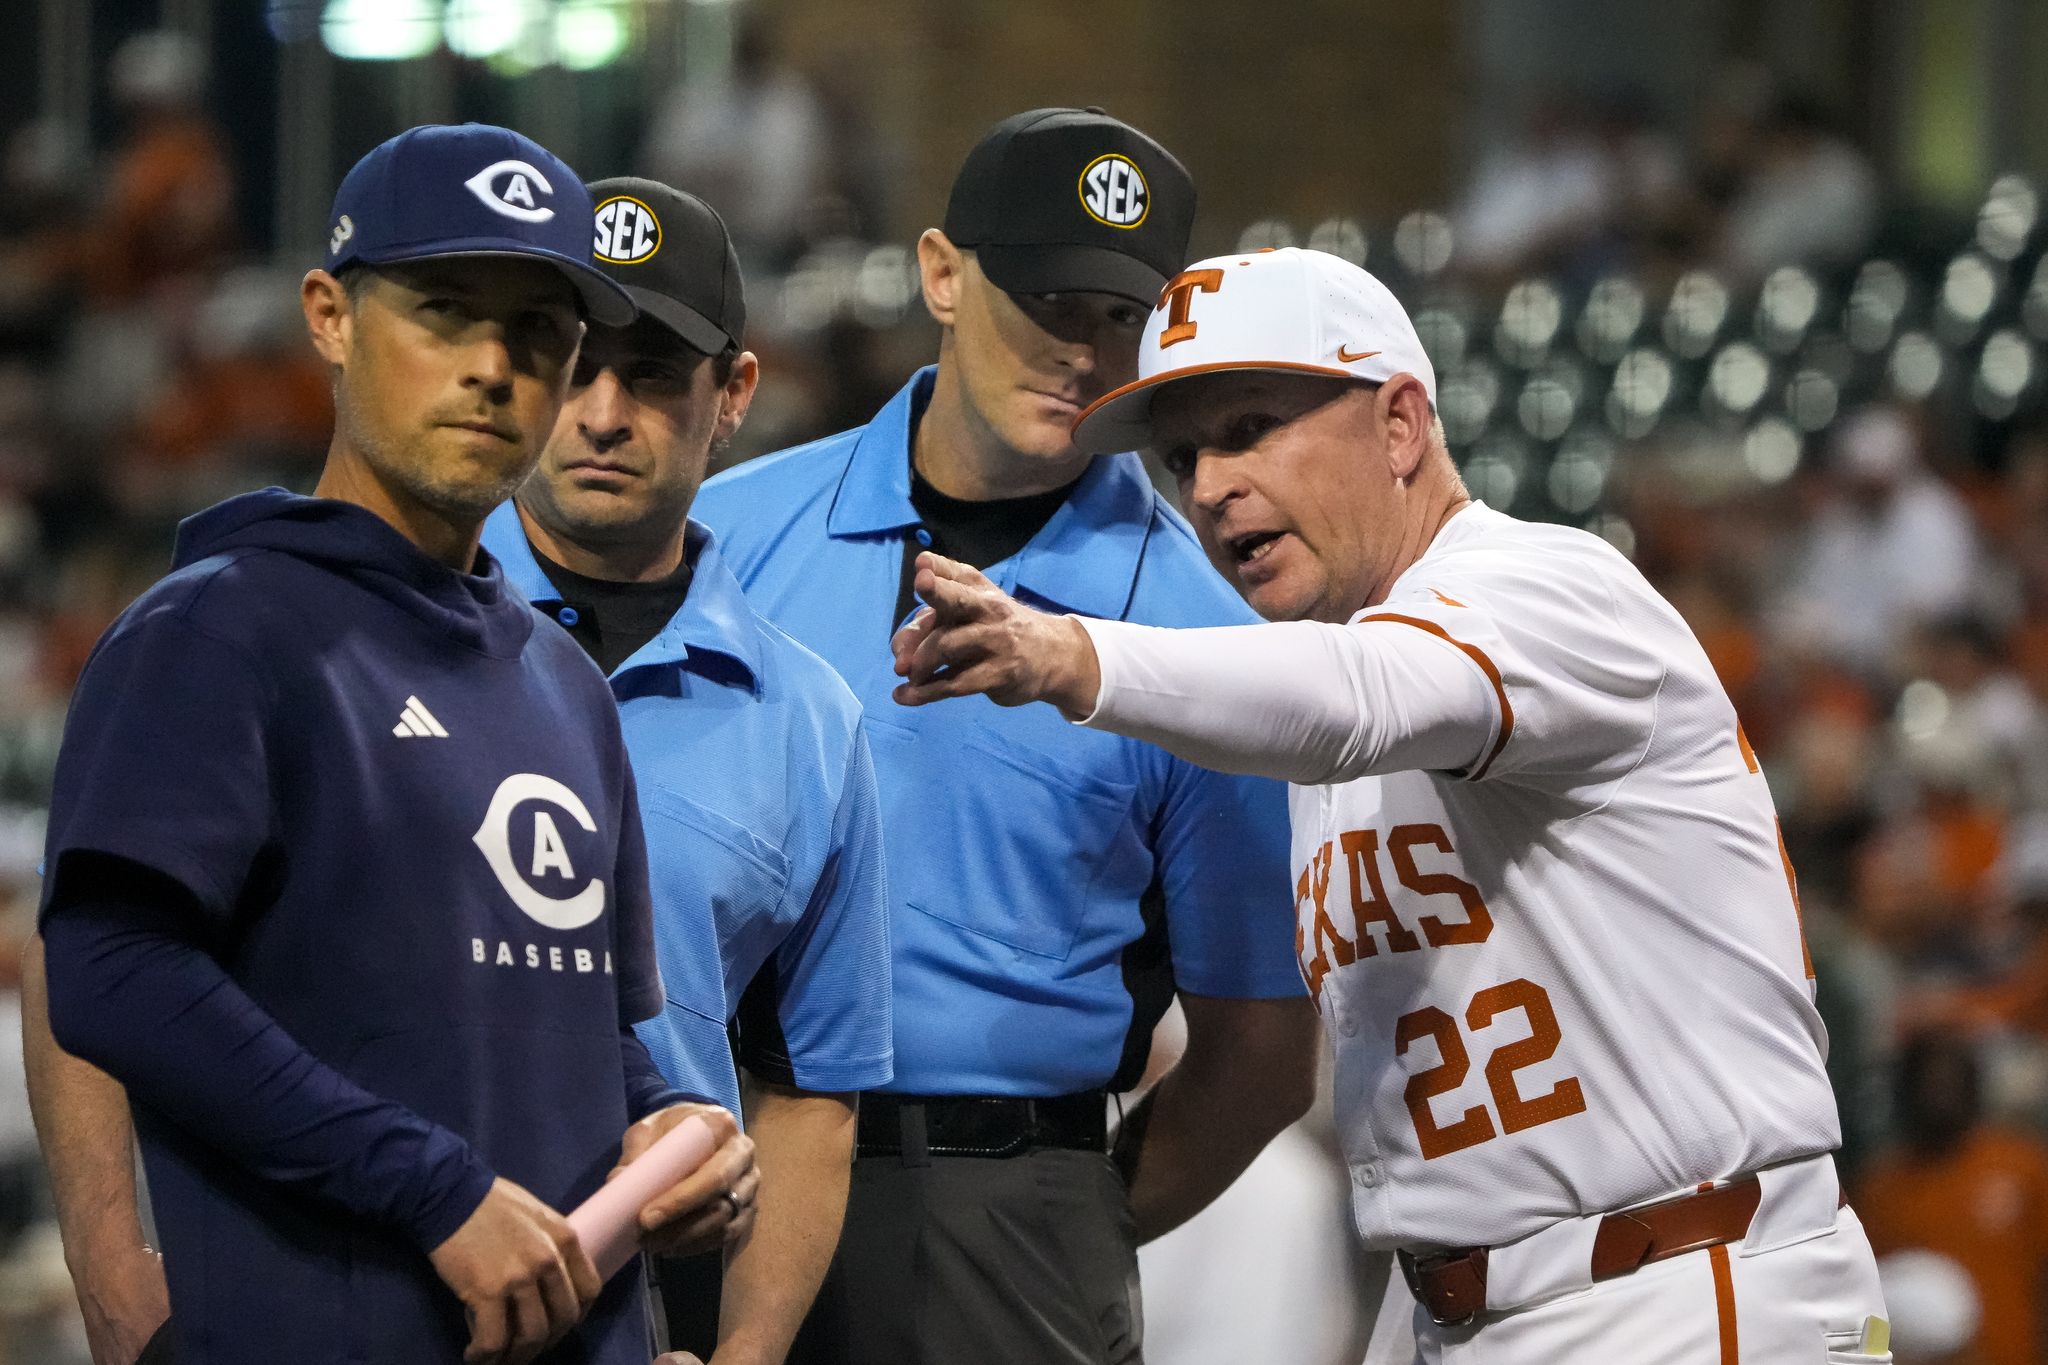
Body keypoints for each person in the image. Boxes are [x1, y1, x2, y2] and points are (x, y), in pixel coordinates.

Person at [888, 246, 1890, 1362]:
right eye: (1181, 457)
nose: (1208, 485)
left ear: (1401, 423)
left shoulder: (1549, 588)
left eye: (1249, 427)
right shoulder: (1330, 703)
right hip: (1461, 1306)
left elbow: (1357, 700)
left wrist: (1072, 653)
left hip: (1675, 1286)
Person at [24, 124, 758, 1365]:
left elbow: (578, 1036)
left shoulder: (561, 683)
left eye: (537, 332)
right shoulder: (218, 627)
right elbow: (112, 967)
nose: (493, 368)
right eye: (444, 310)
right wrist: (433, 1190)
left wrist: (675, 1133)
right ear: (329, 316)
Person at [690, 108, 1319, 1365]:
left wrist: (1066, 1206)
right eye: (1044, 299)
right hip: (719, 1176)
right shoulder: (727, 538)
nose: (1082, 353)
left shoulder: (1200, 634)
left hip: (1004, 1197)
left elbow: (1258, 1051)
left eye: (1115, 316)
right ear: (939, 273)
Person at [478, 176, 892, 1365]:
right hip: (353, 1279)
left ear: (734, 397)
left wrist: (748, 1359)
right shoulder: (371, 624)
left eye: (654, 373)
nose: (602, 413)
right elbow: (108, 942)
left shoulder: (807, 716)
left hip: (646, 1309)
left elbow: (808, 1093)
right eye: (574, 360)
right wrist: (117, 1267)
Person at [1857, 1033, 2048, 1365]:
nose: (1939, 1096)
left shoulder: (2022, 1166)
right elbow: (1869, 1306)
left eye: (1949, 1083)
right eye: (1928, 1084)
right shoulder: (1880, 1189)